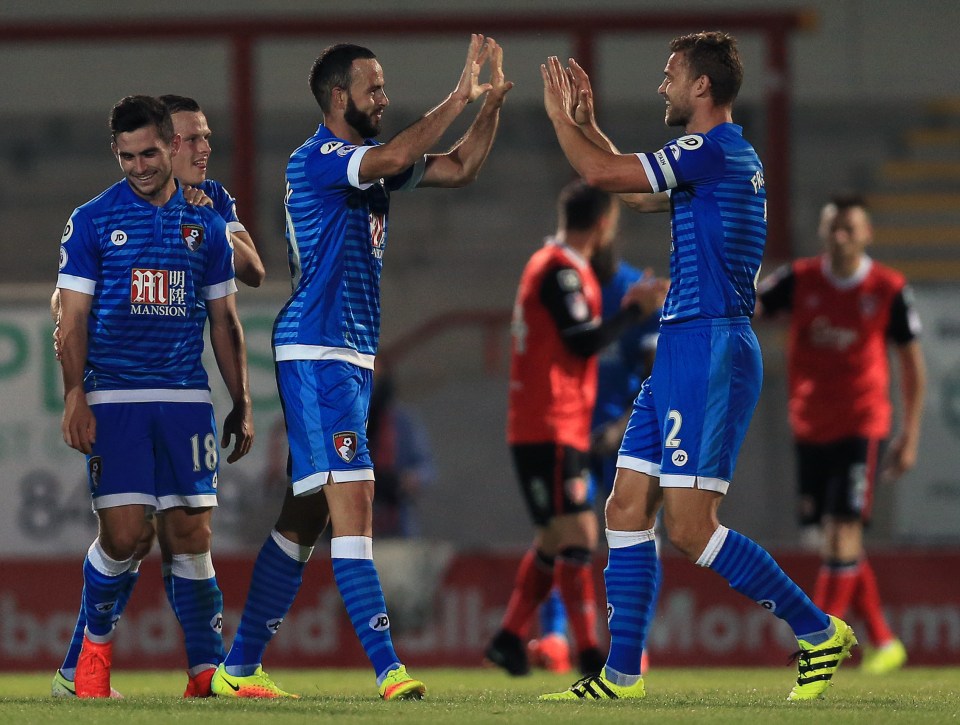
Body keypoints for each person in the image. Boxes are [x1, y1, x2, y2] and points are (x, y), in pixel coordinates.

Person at [538, 31, 857, 703]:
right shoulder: (715, 160)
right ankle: (622, 674)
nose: (663, 86)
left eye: (671, 75)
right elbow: (641, 193)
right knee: (625, 505)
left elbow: (602, 178)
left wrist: (562, 122)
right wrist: (590, 124)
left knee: (688, 524)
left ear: (702, 87)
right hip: (682, 344)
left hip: (710, 345)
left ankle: (817, 628)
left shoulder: (711, 148)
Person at [209, 35, 512, 701]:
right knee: (356, 496)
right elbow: (403, 151)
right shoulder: (319, 159)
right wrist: (458, 93)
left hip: (348, 353)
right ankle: (388, 667)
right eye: (374, 88)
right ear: (341, 97)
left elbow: (459, 167)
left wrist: (487, 106)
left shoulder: (366, 165)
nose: (385, 96)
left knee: (304, 516)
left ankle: (239, 666)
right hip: (317, 351)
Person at [51, 94, 265, 699]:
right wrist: (74, 396)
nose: (139, 166)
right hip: (115, 395)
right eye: (127, 156)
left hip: (185, 397)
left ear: (168, 146)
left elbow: (225, 319)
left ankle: (205, 672)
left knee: (192, 536)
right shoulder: (91, 219)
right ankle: (90, 654)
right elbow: (71, 318)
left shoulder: (207, 216)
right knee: (126, 537)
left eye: (148, 153)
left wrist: (241, 400)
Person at [484, 179, 667, 678]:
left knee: (553, 537)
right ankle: (589, 653)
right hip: (550, 425)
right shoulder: (560, 271)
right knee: (580, 532)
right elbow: (584, 342)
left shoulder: (562, 267)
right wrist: (635, 311)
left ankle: (506, 639)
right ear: (605, 223)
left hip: (549, 425)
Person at [757, 193, 925, 675]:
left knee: (842, 529)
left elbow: (912, 366)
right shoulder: (799, 280)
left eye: (850, 228)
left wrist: (908, 434)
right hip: (810, 424)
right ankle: (885, 639)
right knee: (833, 538)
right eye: (833, 227)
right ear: (823, 232)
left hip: (861, 424)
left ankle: (820, 643)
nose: (841, 236)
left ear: (868, 234)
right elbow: (750, 304)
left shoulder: (888, 288)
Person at [530, 240, 662, 675]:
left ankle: (632, 644)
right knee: (566, 533)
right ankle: (553, 638)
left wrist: (624, 423)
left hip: (627, 439)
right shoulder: (565, 284)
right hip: (572, 436)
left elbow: (654, 369)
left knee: (635, 537)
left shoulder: (631, 289)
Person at [367, 371, 437, 538]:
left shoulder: (404, 421)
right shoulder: (347, 422)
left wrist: (412, 479)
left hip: (399, 519)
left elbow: (427, 467)